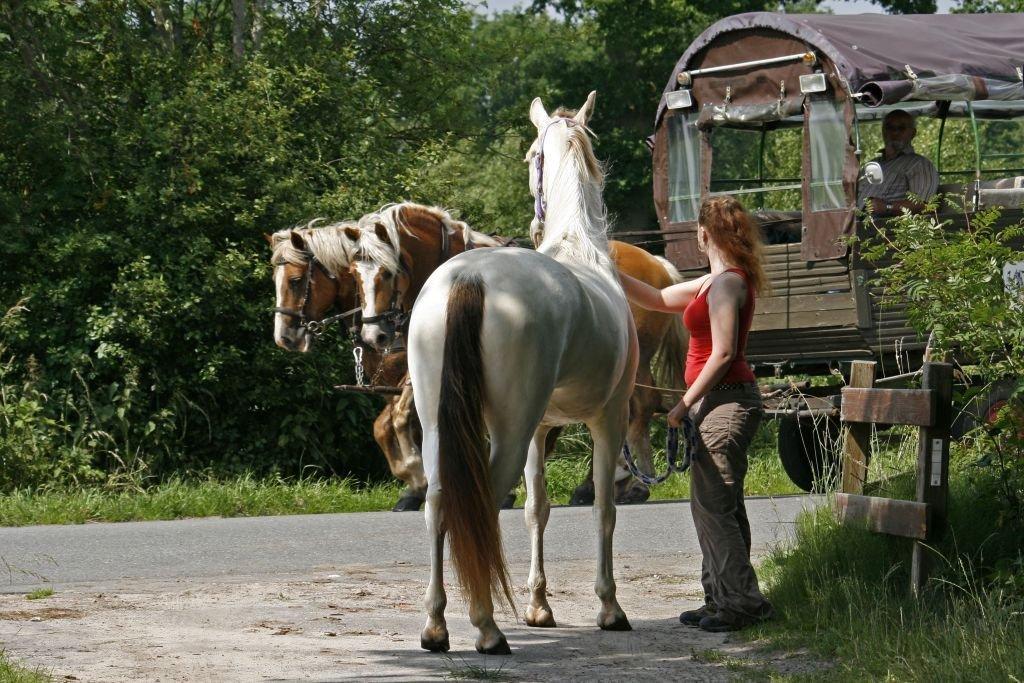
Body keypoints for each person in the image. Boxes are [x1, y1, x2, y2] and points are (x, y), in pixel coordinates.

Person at [619, 196, 773, 633]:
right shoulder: (712, 282)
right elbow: (655, 297)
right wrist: (607, 268)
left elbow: (723, 352)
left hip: (726, 402)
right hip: (717, 402)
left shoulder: (727, 285)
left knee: (716, 506)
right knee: (713, 506)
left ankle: (742, 605)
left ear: (704, 234)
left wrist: (683, 403)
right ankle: (720, 598)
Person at [858, 109, 939, 215]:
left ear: (913, 133)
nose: (895, 132)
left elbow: (926, 206)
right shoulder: (873, 165)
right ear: (883, 131)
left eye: (901, 128)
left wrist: (887, 207)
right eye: (889, 127)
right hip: (854, 221)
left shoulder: (920, 164)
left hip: (885, 224)